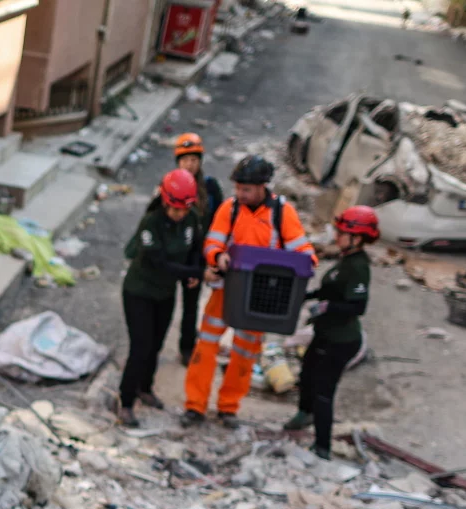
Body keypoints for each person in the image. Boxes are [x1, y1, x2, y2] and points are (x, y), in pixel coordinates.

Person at [182, 155, 317, 428]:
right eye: (237, 188)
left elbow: (302, 251)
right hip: (226, 291)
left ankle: (228, 408)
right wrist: (217, 257)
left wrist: (307, 263)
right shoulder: (229, 209)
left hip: (259, 298)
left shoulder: (282, 213)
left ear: (262, 187)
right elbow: (212, 242)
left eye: (246, 189)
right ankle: (195, 406)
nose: (240, 194)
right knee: (205, 348)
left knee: (243, 355)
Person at [284, 206, 378, 459]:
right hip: (326, 334)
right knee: (307, 372)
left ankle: (322, 446)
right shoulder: (345, 261)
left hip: (342, 341)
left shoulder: (358, 267)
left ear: (357, 238)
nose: (337, 236)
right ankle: (305, 414)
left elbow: (358, 306)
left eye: (342, 233)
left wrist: (327, 307)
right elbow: (332, 289)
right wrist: (309, 295)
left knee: (324, 390)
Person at [117, 170, 205, 427]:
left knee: (156, 344)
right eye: (174, 209)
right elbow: (161, 264)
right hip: (139, 292)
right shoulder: (151, 223)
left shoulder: (191, 220)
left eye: (183, 210)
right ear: (165, 201)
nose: (179, 215)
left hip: (165, 293)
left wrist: (194, 270)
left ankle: (146, 387)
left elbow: (195, 249)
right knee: (140, 346)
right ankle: (125, 401)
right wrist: (196, 272)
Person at [170, 133, 224, 365]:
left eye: (194, 159)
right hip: (174, 254)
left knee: (190, 306)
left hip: (197, 256)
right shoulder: (170, 186)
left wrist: (209, 258)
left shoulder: (210, 187)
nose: (190, 164)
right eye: (185, 160)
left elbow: (220, 222)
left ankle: (186, 347)